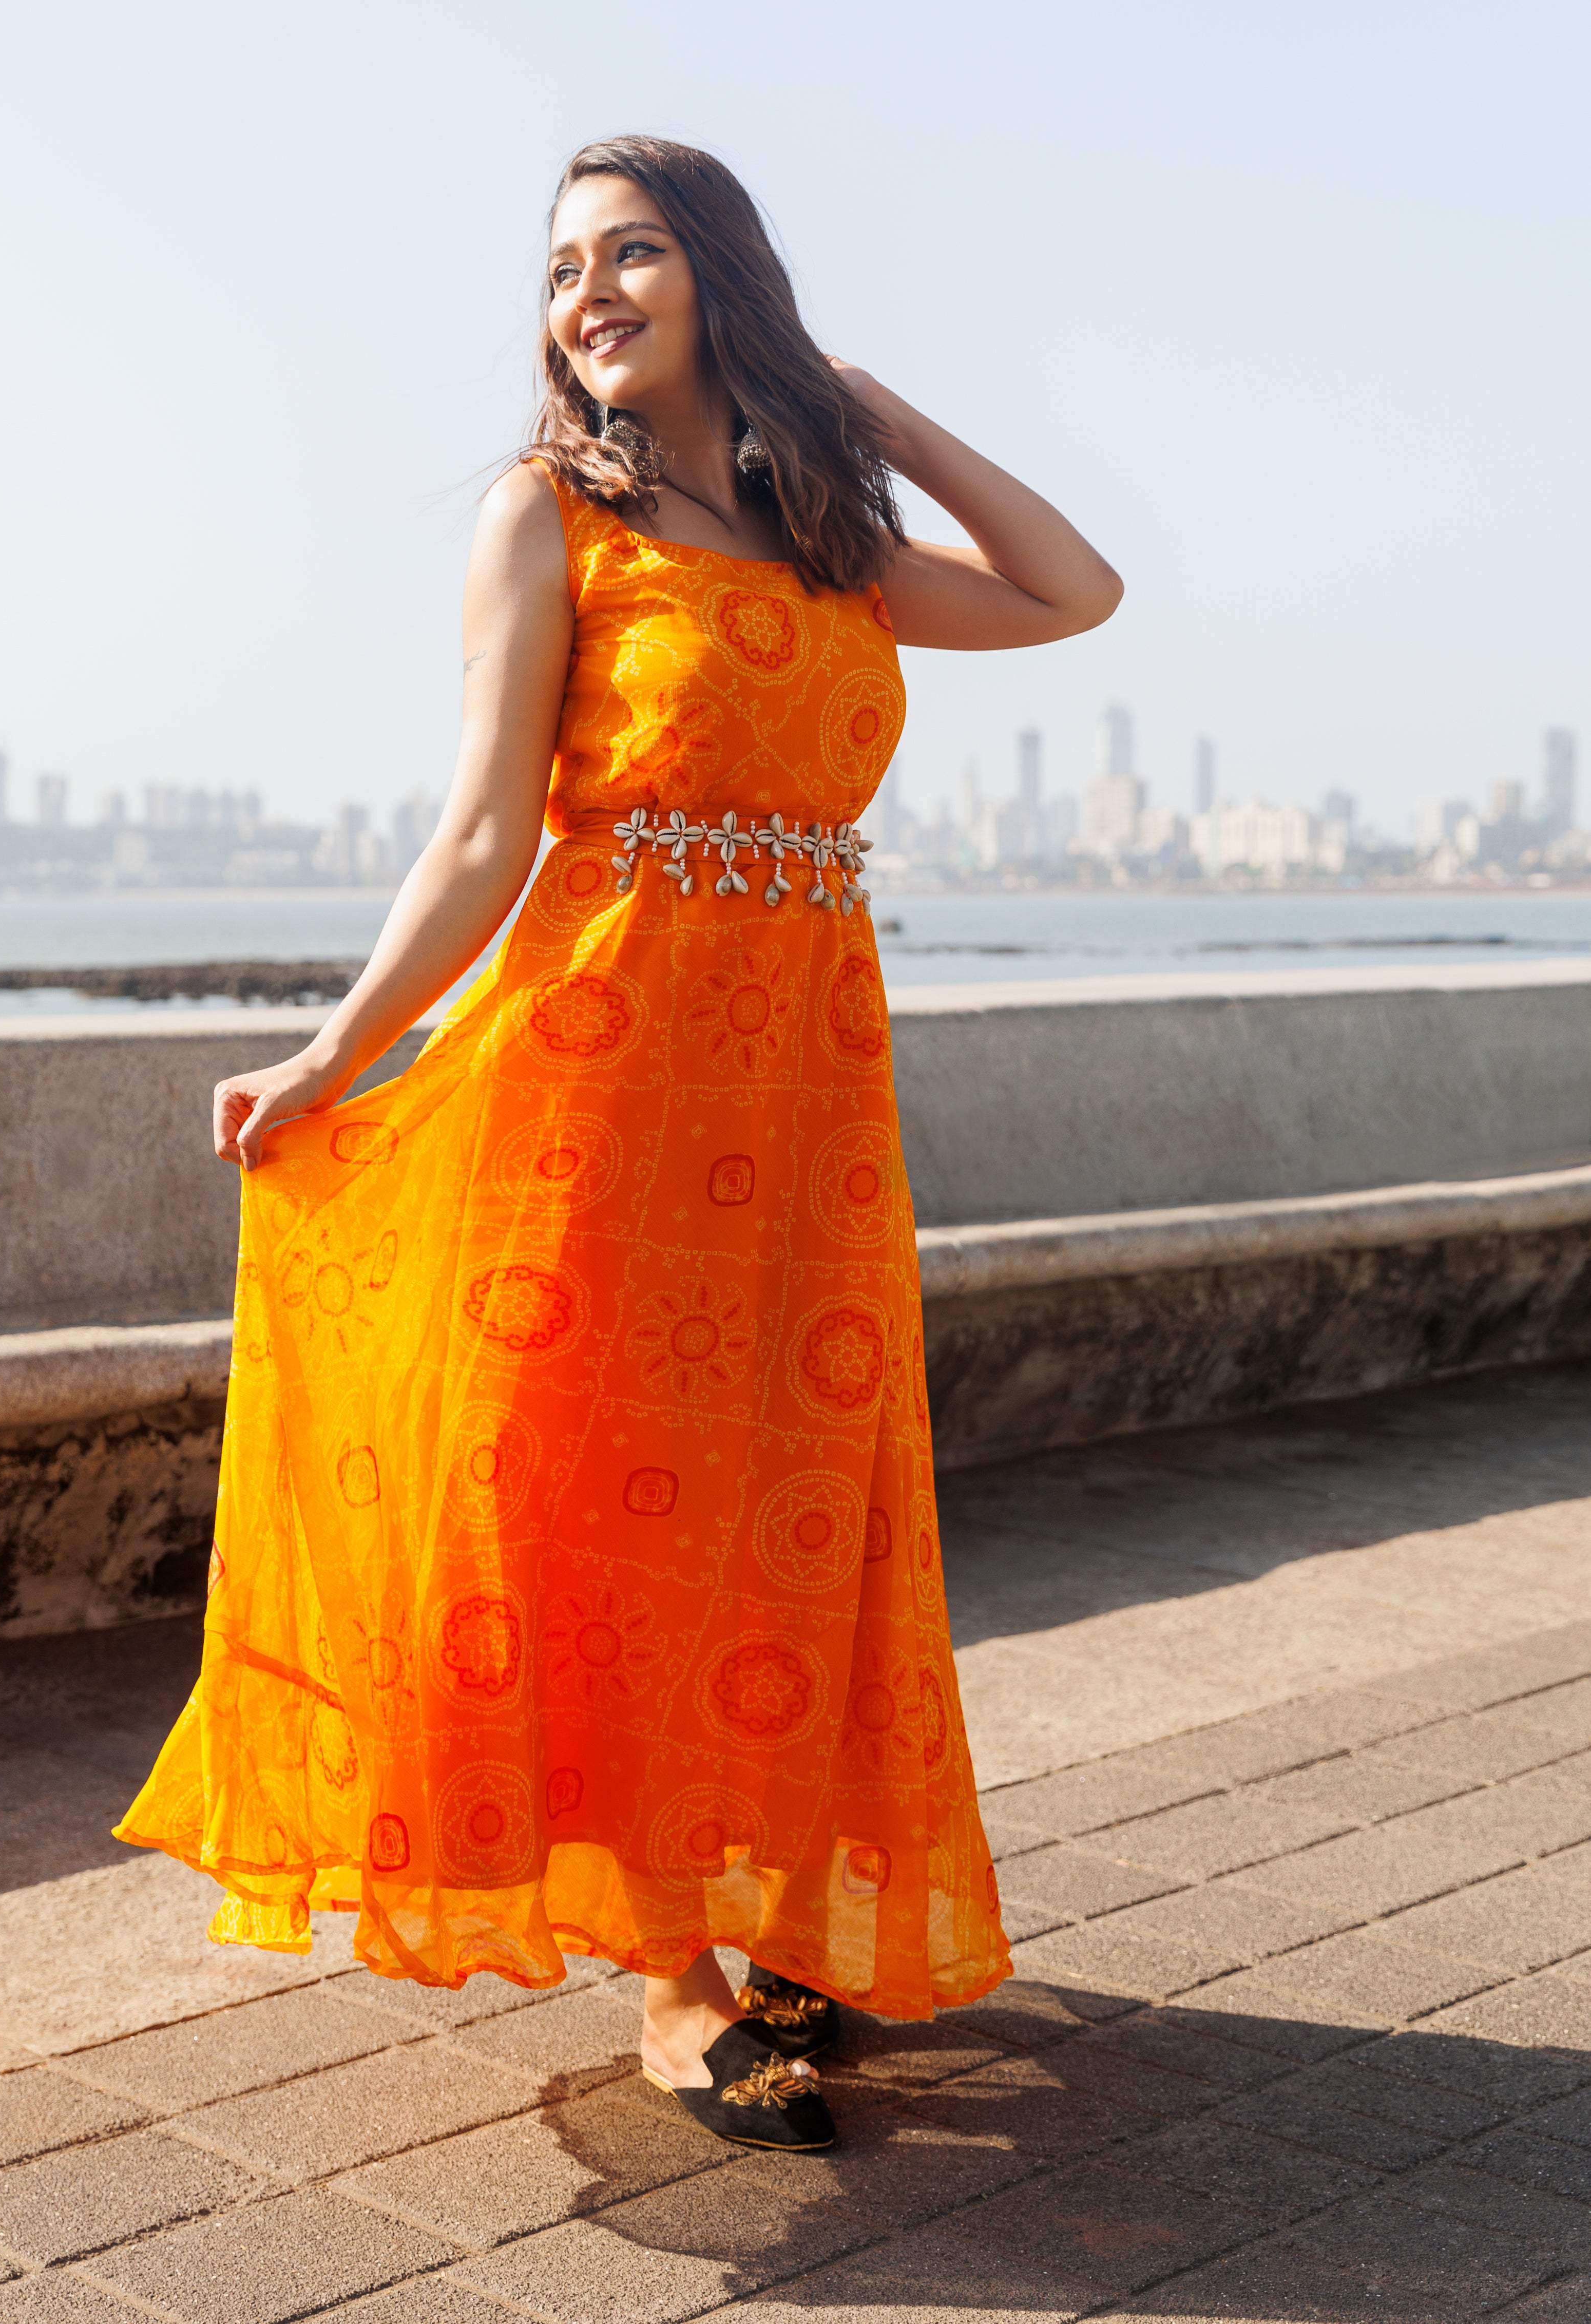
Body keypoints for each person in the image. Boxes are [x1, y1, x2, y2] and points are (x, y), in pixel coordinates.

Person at [118, 133, 1120, 2154]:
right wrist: (330, 1051)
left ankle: (771, 1890)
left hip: (809, 1104)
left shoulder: (826, 540)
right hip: (607, 1092)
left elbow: (1073, 590)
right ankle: (680, 1971)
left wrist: (861, 405)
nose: (586, 291)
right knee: (627, 1514)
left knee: (791, 1499)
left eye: (633, 250)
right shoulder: (545, 522)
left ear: (722, 276)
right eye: (562, 263)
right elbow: (485, 836)